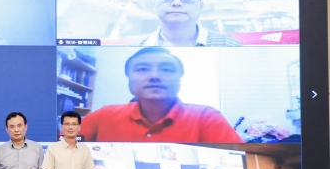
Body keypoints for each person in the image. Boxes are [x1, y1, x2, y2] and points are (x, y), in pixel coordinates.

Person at [79, 47, 243, 143]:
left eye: (167, 69)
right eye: (142, 69)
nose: (154, 76)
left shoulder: (207, 117)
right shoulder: (104, 115)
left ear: (180, 78)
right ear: (128, 77)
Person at [128, 0, 243, 47]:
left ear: (201, 6)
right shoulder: (133, 47)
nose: (176, 3)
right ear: (154, 5)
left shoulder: (228, 45)